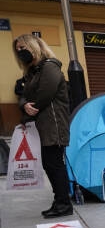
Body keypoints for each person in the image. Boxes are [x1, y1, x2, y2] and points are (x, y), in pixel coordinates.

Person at [13, 33, 73, 218]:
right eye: (18, 50)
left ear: (35, 47)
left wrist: (32, 108)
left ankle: (64, 204)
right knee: (50, 164)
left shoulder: (50, 67)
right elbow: (23, 94)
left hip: (53, 123)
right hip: (42, 124)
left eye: (23, 48)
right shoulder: (32, 72)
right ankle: (60, 200)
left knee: (55, 164)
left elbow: (46, 93)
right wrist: (24, 105)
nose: (21, 52)